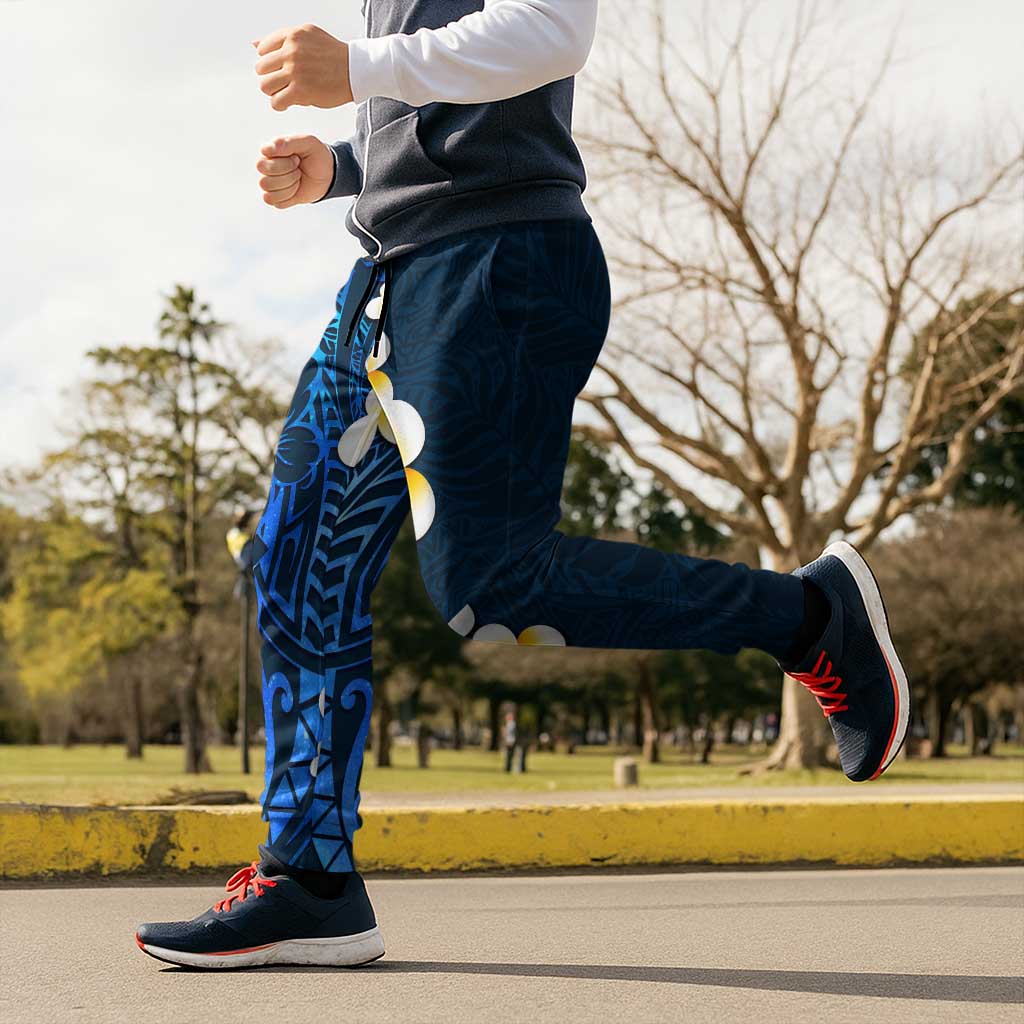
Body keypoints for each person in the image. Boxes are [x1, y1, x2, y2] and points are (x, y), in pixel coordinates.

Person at [135, 0, 910, 969]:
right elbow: (446, 110)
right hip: (388, 277)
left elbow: (552, 30)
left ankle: (809, 618)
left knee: (491, 589)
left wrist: (360, 66)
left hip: (494, 262)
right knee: (292, 566)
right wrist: (345, 165)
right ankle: (310, 879)